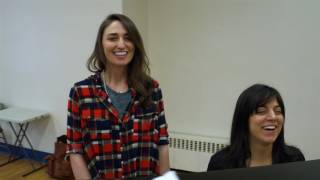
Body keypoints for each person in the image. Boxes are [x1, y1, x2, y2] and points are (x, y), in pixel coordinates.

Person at [66, 14, 170, 179]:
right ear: (101, 44)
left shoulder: (152, 89)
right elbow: (75, 150)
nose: (121, 44)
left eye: (128, 38)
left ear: (135, 45)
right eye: (113, 38)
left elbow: (162, 143)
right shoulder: (81, 92)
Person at [207, 84, 305, 171]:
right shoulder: (221, 163)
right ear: (243, 118)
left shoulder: (294, 159)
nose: (273, 117)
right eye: (261, 111)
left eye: (278, 111)